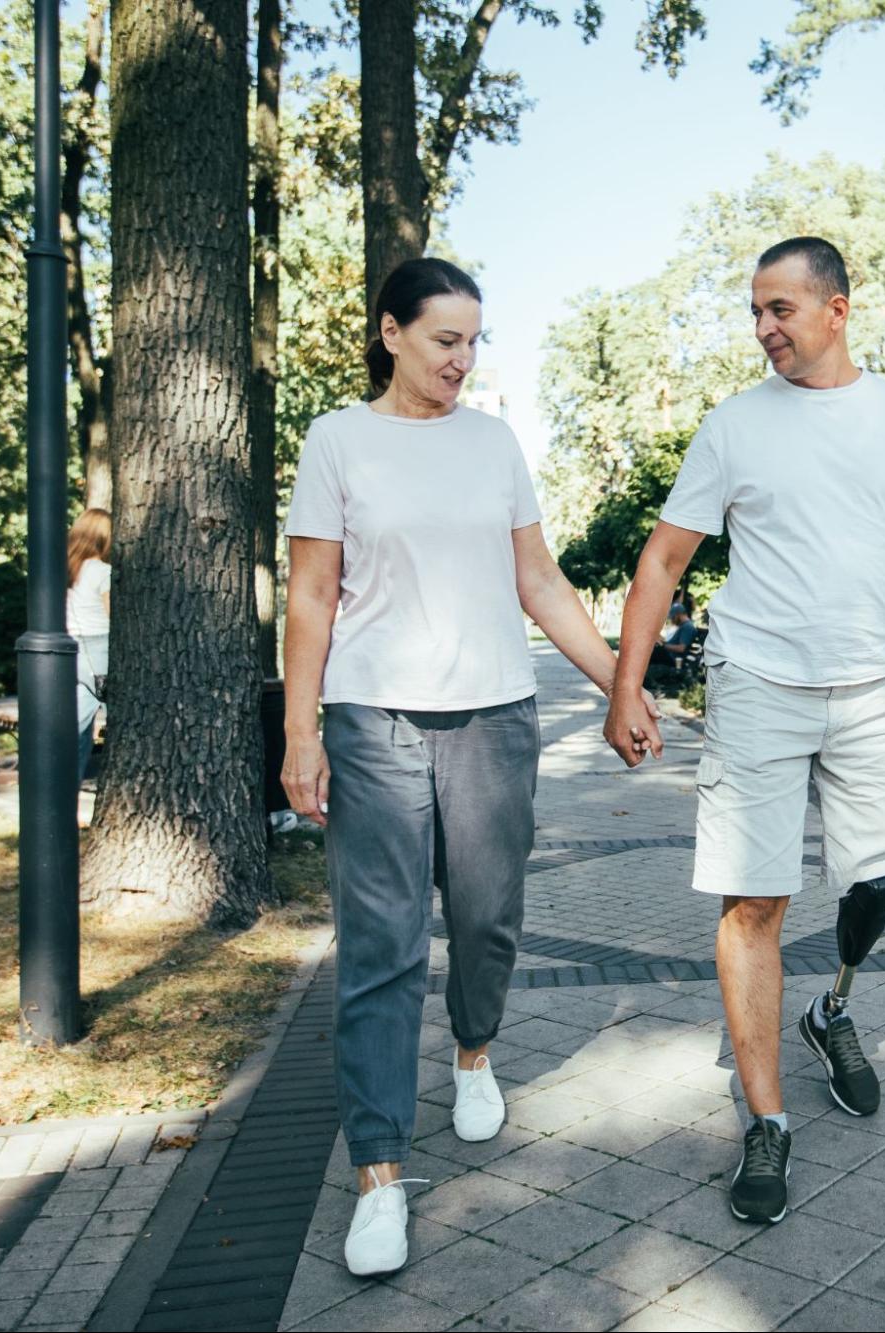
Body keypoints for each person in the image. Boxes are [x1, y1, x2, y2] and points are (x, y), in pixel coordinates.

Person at [604, 236, 885, 1225]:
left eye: (780, 308)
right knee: (756, 904)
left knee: (875, 880)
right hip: (756, 686)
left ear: (836, 308)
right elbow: (661, 562)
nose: (764, 328)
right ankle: (767, 1121)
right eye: (754, 310)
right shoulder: (734, 426)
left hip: (871, 689)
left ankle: (833, 1009)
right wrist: (625, 684)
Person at [280, 257, 660, 1279]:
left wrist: (620, 682)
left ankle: (474, 1050)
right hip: (373, 718)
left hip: (494, 713)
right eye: (445, 339)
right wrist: (300, 728)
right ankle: (379, 1172)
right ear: (390, 332)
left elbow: (538, 577)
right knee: (381, 947)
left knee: (488, 917)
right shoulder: (338, 440)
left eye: (474, 341)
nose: (463, 358)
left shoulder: (492, 442)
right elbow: (311, 596)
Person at [66, 508, 112, 785]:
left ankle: (65, 792)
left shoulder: (67, 570)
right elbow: (112, 615)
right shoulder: (103, 571)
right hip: (100, 651)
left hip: (71, 651)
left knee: (78, 729)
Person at [644, 603, 699, 688]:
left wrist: (663, 646)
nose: (672, 620)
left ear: (678, 615)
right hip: (671, 656)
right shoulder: (684, 626)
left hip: (675, 660)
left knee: (651, 650)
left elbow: (681, 648)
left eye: (673, 617)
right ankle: (646, 679)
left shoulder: (687, 627)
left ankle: (644, 679)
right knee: (650, 648)